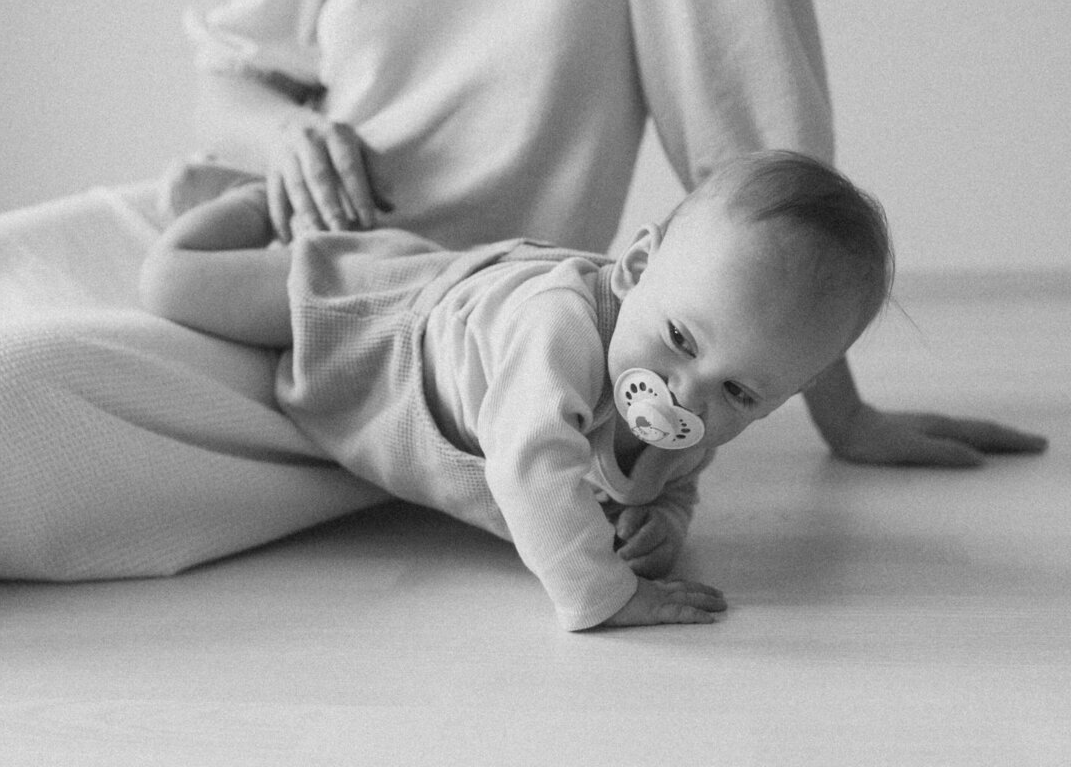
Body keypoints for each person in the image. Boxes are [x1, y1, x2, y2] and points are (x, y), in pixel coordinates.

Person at [188, 0, 1045, 469]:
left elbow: (759, 179)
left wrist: (841, 414)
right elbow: (231, 80)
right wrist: (287, 132)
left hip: (453, 337)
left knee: (52, 379)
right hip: (252, 236)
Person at [139, 150, 893, 630]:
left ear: (779, 397)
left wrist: (663, 521)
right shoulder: (555, 333)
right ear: (633, 271)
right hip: (383, 317)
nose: (685, 395)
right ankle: (248, 198)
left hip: (467, 309)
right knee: (173, 286)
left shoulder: (696, 406)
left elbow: (671, 478)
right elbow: (529, 468)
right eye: (680, 341)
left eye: (740, 393)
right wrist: (604, 594)